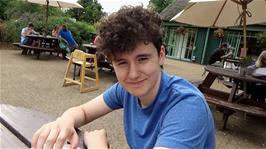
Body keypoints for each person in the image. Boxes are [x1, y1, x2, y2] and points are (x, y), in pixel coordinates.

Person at [31, 6, 215, 149]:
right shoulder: (126, 90)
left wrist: (98, 146)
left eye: (142, 59)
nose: (133, 74)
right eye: (122, 63)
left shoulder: (187, 105)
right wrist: (65, 121)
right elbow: (83, 111)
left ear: (161, 55)